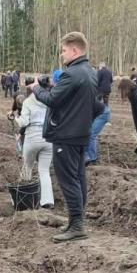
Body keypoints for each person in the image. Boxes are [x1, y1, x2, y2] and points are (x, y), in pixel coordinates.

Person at [34, 31, 102, 242]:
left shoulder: (72, 74)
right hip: (81, 134)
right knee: (78, 177)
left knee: (68, 179)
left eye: (63, 51)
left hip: (67, 135)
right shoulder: (90, 72)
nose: (61, 55)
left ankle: (77, 225)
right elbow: (97, 106)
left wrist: (36, 88)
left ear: (75, 50)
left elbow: (53, 99)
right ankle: (75, 221)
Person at [17, 76, 55, 208]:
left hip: (32, 136)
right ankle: (47, 201)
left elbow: (24, 122)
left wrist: (16, 118)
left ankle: (25, 197)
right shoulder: (51, 100)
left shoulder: (28, 101)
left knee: (27, 166)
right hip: (49, 138)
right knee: (44, 171)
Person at [85, 68, 111, 166]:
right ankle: (90, 155)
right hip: (98, 112)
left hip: (103, 114)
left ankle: (93, 158)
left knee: (91, 134)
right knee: (90, 133)